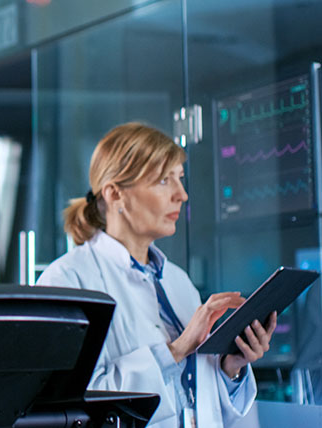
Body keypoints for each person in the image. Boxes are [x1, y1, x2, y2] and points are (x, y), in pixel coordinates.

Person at [37, 122, 276, 428]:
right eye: (164, 180)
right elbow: (70, 408)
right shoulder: (67, 281)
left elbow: (195, 402)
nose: (182, 195)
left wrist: (231, 368)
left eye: (180, 179)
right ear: (115, 194)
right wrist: (175, 350)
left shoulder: (178, 281)